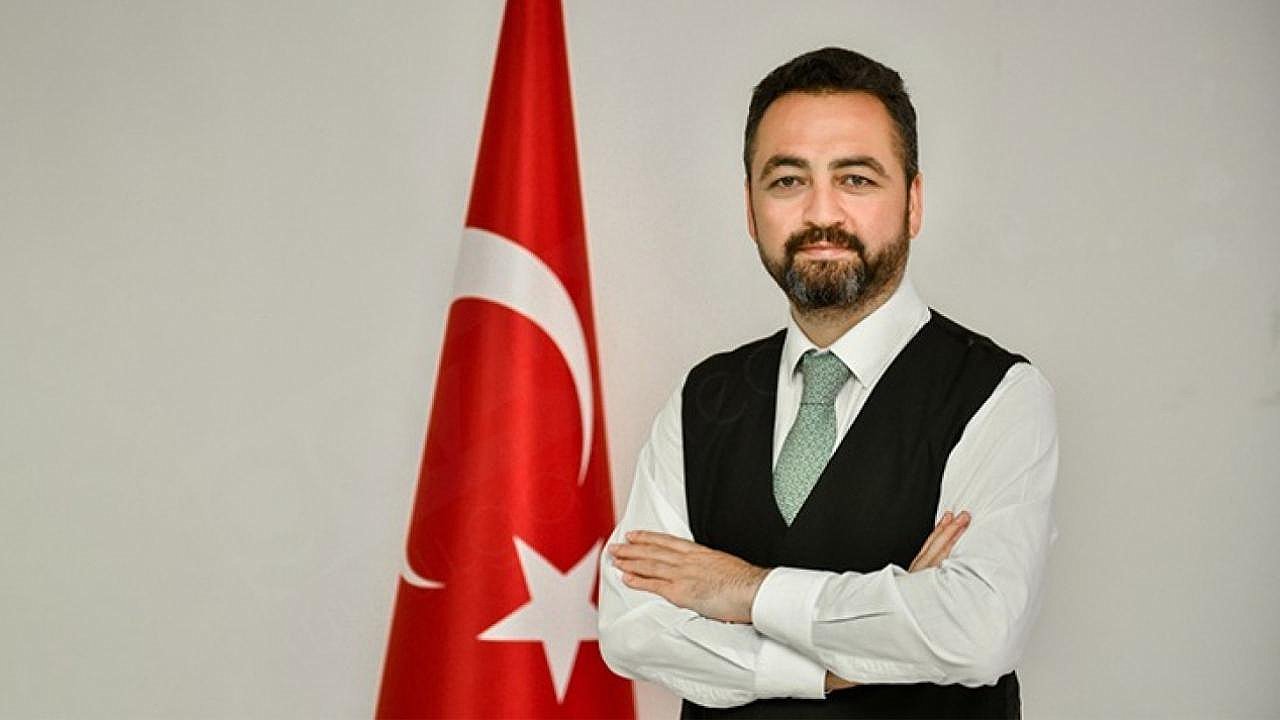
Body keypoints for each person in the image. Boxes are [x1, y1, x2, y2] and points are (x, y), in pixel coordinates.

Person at [597, 47, 1058, 718]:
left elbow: (975, 631)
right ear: (750, 209)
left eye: (856, 179)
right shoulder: (702, 397)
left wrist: (743, 592)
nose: (821, 213)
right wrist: (842, 664)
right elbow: (632, 630)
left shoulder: (1000, 393)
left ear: (913, 202)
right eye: (787, 180)